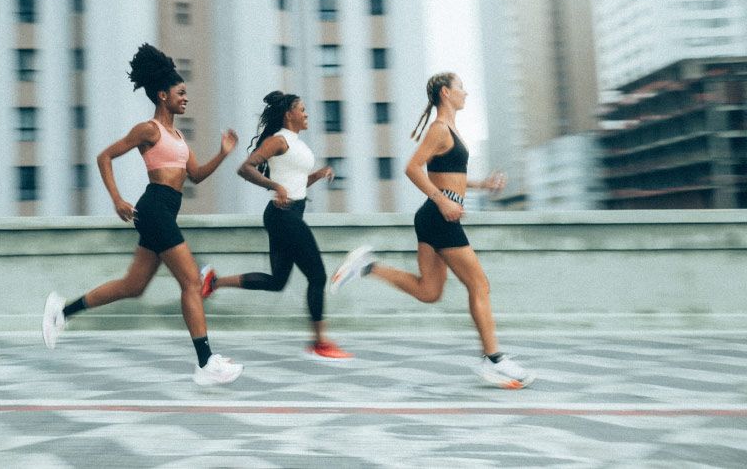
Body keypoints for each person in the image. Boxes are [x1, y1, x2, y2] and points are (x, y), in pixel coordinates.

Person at [41, 43, 243, 386]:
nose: (185, 98)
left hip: (164, 211)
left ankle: (62, 311)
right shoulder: (149, 130)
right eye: (180, 93)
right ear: (162, 95)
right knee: (192, 282)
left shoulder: (178, 136)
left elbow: (195, 175)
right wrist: (117, 199)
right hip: (154, 208)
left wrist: (223, 153)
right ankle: (206, 363)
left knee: (132, 286)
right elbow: (104, 157)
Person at [330, 72, 535, 389]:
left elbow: (449, 177)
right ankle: (494, 359)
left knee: (429, 291)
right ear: (445, 92)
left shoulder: (450, 130)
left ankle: (367, 266)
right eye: (460, 88)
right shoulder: (439, 129)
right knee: (479, 285)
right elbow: (412, 168)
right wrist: (442, 202)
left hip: (432, 217)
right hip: (439, 218)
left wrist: (481, 185)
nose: (465, 92)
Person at [200, 91, 353, 360]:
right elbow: (245, 168)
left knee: (277, 281)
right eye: (302, 109)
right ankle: (320, 342)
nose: (306, 114)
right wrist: (273, 185)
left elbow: (296, 184)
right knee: (317, 276)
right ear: (288, 114)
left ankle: (214, 282)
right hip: (283, 216)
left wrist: (318, 174)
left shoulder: (295, 144)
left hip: (288, 213)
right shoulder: (278, 140)